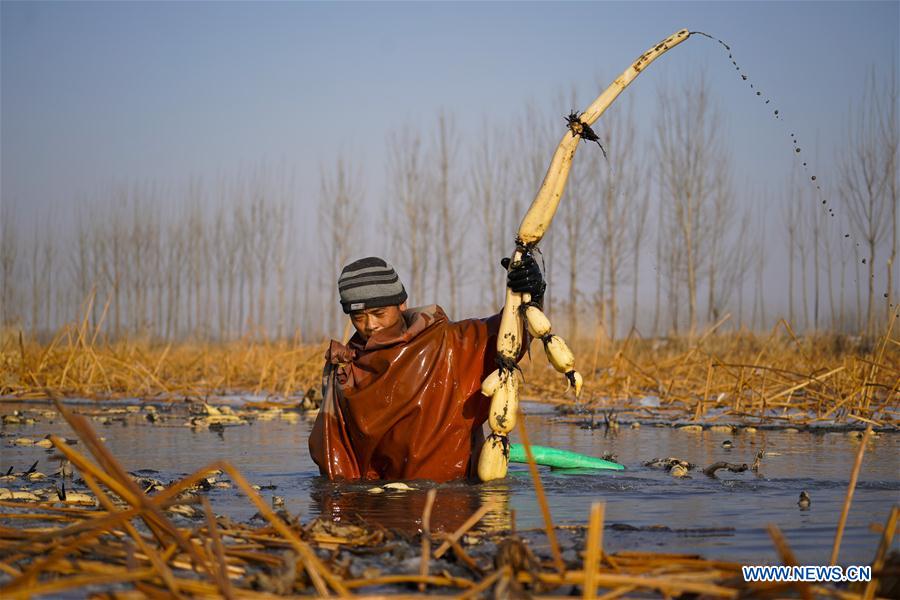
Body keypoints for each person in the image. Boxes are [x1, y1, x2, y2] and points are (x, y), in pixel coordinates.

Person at [308, 254, 545, 482]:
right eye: (358, 317)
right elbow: (335, 453)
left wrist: (531, 294)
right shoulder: (346, 367)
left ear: (402, 304)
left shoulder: (450, 343)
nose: (371, 325)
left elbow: (511, 337)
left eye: (379, 313)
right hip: (384, 502)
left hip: (454, 500)